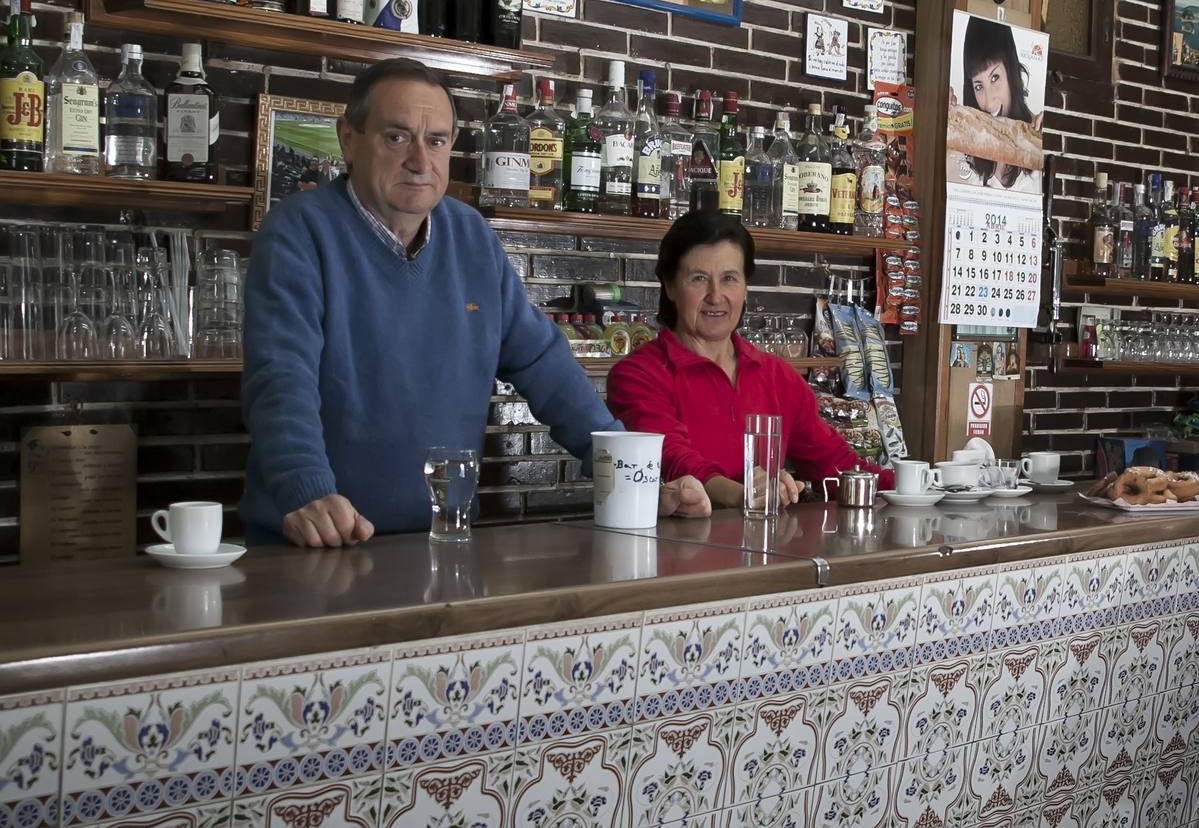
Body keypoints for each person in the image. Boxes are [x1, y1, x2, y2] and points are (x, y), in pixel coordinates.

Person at [241, 58, 709, 547]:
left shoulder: (470, 236)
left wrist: (635, 481)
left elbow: (545, 366)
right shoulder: (299, 232)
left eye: (437, 140)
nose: (421, 160)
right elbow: (280, 378)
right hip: (318, 542)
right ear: (348, 139)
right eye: (397, 137)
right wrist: (306, 490)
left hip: (442, 541)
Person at [606, 211, 894, 510]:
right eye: (699, 279)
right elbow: (672, 459)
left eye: (729, 278)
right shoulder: (637, 375)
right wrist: (746, 493)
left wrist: (919, 485)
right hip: (672, 550)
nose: (716, 296)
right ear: (670, 286)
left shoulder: (777, 376)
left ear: (745, 288)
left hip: (765, 549)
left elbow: (833, 465)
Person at [954, 16, 1042, 191]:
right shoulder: (965, 143)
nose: (989, 101)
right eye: (978, 86)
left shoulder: (1037, 135)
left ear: (1010, 72)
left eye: (995, 77)